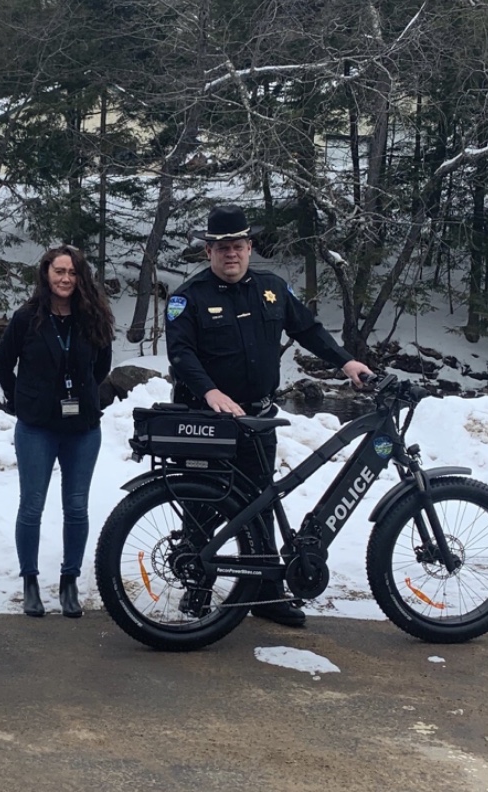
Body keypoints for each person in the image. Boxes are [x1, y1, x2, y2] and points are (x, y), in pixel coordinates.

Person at [166, 204, 371, 627]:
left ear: (249, 247)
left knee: (261, 503)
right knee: (202, 504)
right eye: (221, 247)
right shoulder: (188, 297)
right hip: (208, 420)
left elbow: (309, 330)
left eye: (237, 246)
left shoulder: (272, 289)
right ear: (208, 252)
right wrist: (210, 391)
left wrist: (347, 362)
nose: (230, 254)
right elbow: (181, 354)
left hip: (258, 419)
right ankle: (198, 589)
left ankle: (267, 595)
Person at [0, 245, 114, 618]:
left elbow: (102, 367)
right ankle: (30, 581)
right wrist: (24, 401)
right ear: (46, 274)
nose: (65, 279)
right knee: (32, 506)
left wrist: (80, 394)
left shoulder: (93, 318)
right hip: (37, 428)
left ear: (81, 278)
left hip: (81, 429)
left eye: (72, 273)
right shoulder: (27, 318)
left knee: (76, 507)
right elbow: (2, 365)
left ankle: (69, 580)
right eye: (58, 271)